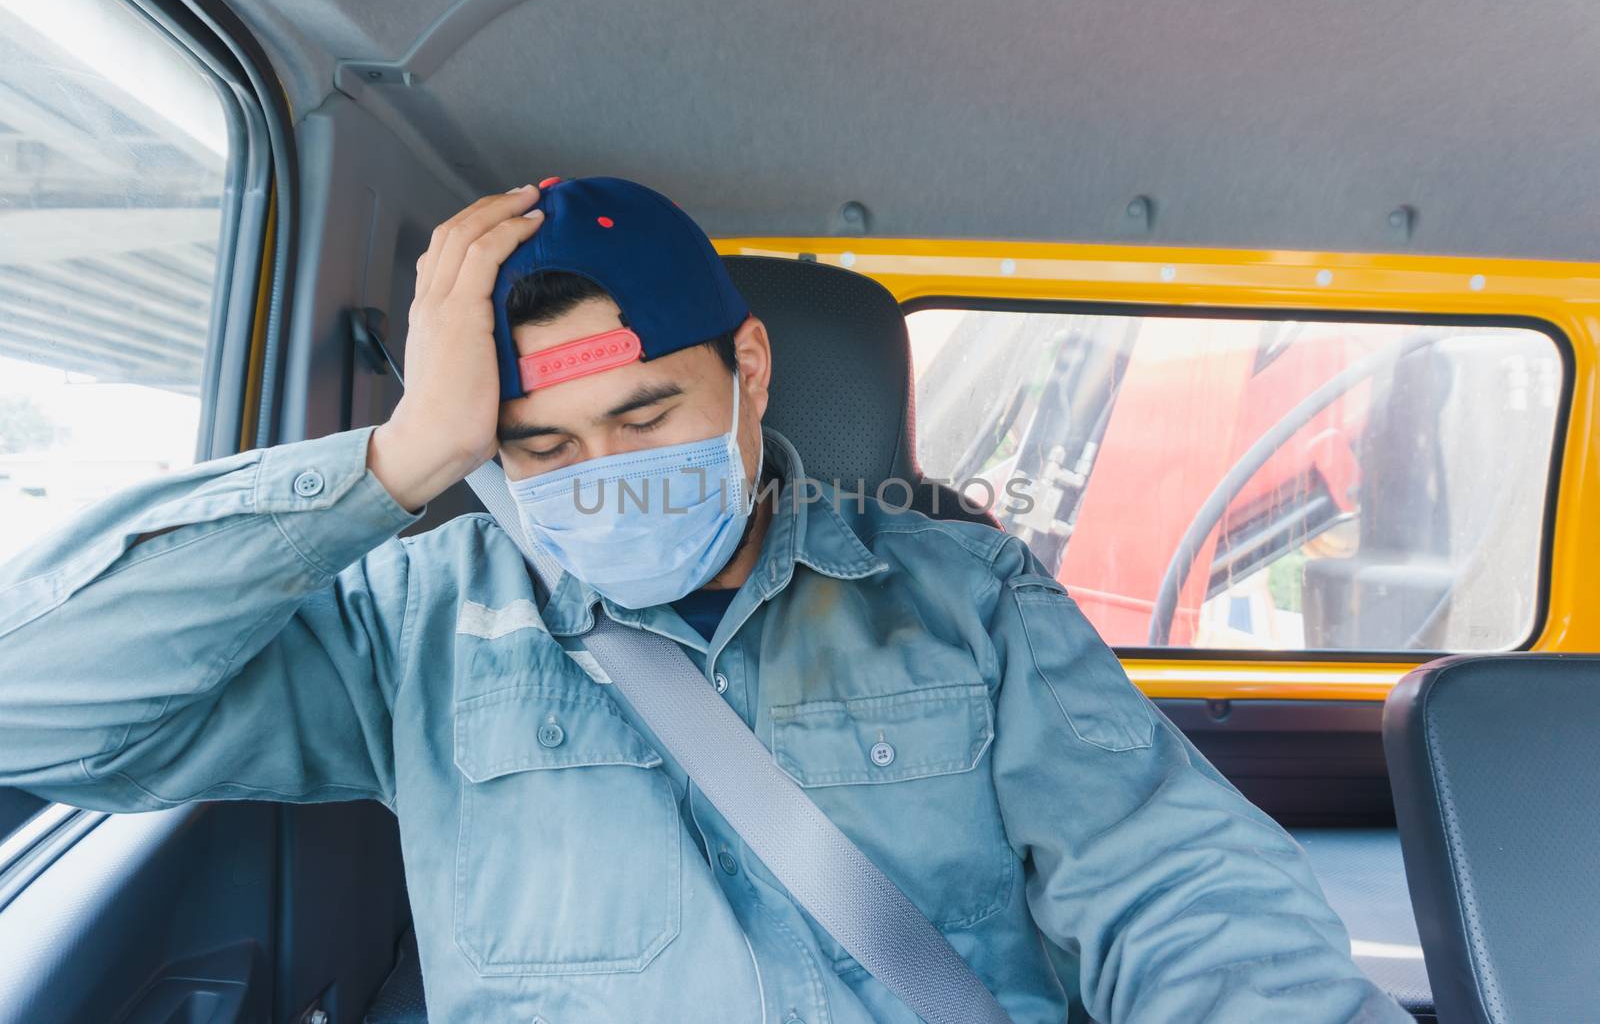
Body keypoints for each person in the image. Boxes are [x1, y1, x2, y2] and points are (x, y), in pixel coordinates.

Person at [0, 176, 1409, 1024]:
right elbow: (31, 701)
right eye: (538, 446)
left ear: (750, 366)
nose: (599, 475)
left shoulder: (961, 593)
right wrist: (395, 461)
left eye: (647, 412)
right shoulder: (409, 621)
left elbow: (1173, 882)